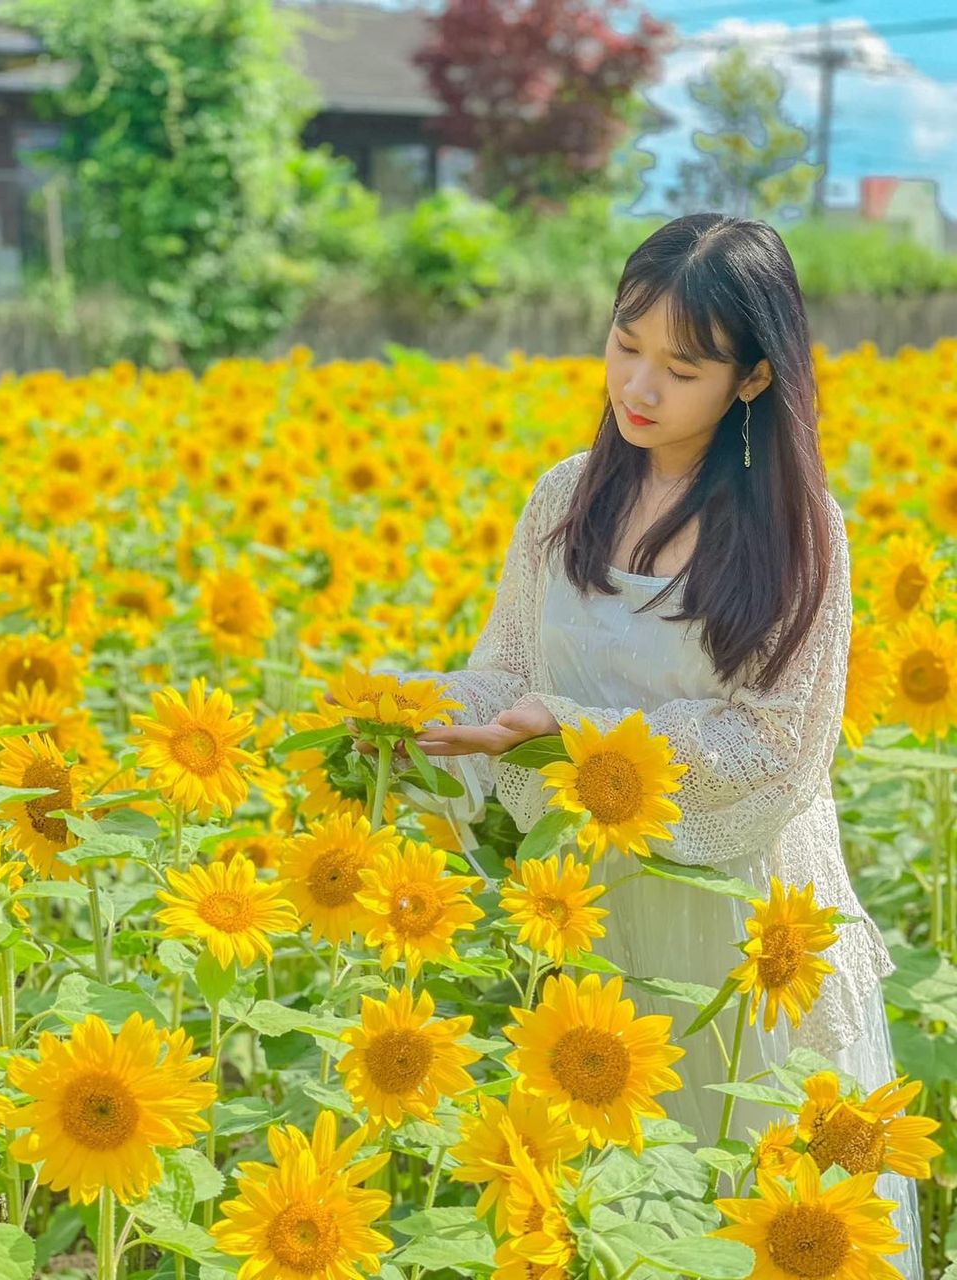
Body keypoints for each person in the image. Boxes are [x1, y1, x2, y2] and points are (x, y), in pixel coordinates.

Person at [358, 213, 922, 1276]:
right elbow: (514, 671)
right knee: (607, 1212)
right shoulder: (566, 496)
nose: (642, 387)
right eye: (627, 343)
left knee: (757, 1199)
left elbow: (778, 746)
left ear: (753, 379)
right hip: (593, 897)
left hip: (747, 927)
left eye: (683, 365)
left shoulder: (802, 532)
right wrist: (406, 704)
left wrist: (572, 731)